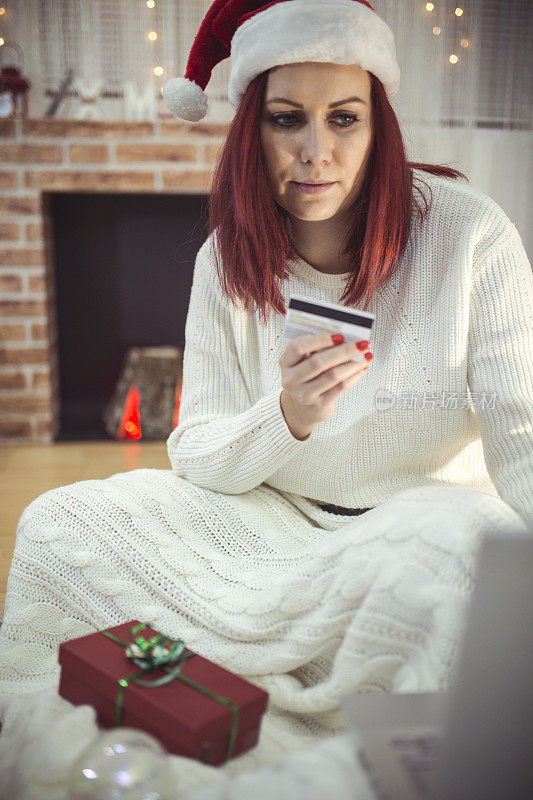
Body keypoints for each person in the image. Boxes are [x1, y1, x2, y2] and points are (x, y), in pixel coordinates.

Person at [0, 1, 532, 797]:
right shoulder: (226, 259)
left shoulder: (469, 235)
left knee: (460, 550)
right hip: (269, 520)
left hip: (419, 514)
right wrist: (285, 417)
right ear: (251, 130)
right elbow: (195, 450)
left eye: (343, 119)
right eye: (288, 120)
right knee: (58, 519)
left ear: (377, 128)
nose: (315, 153)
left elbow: (520, 431)